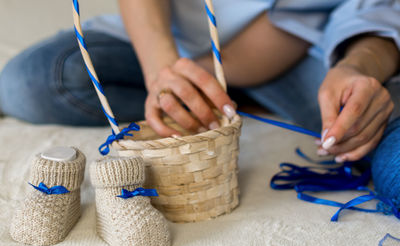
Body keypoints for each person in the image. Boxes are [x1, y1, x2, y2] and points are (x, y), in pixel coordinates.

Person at [0, 0, 399, 165]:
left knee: (363, 118)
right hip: (166, 36)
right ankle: (223, 99)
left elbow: (302, 19)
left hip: (315, 48)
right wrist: (162, 69)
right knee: (30, 82)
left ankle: (227, 98)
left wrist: (361, 64)